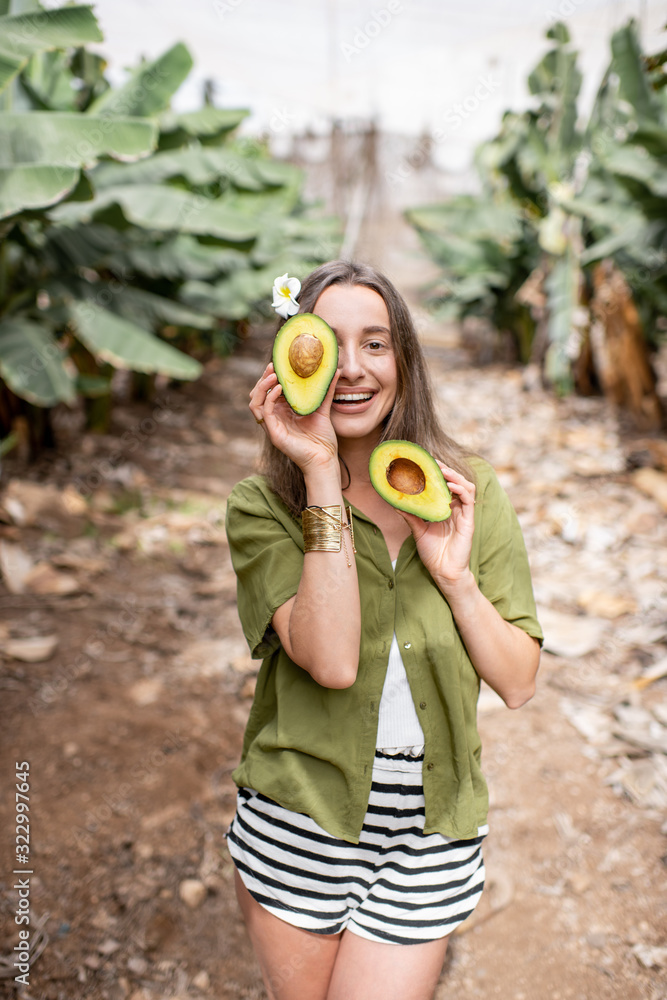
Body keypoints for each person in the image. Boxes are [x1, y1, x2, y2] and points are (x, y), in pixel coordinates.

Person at [224, 260, 543, 1000]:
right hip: (302, 812)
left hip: (430, 828)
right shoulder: (260, 506)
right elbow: (330, 661)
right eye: (325, 346)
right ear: (288, 361)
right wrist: (318, 471)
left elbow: (519, 682)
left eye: (375, 344)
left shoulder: (469, 491)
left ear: (403, 361)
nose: (350, 368)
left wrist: (455, 578)